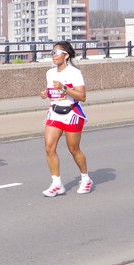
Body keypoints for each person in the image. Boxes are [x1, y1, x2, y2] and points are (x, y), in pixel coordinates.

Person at [41, 41, 92, 197]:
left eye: (57, 53)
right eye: (52, 53)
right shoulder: (50, 73)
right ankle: (56, 184)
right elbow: (53, 91)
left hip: (72, 114)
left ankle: (86, 178)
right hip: (55, 112)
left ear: (66, 55)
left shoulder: (74, 73)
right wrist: (46, 93)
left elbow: (82, 96)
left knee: (73, 149)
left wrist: (64, 88)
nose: (54, 56)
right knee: (49, 147)